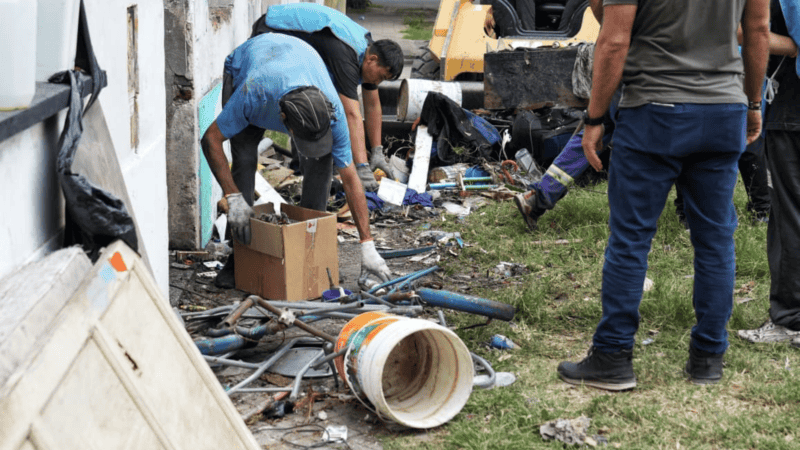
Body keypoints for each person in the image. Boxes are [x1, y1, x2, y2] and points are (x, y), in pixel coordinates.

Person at [557, 0, 770, 390]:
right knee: (715, 240)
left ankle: (612, 356)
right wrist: (754, 103)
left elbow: (614, 39)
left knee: (631, 238)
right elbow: (758, 30)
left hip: (654, 110)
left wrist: (594, 117)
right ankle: (708, 358)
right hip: (724, 109)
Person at [201, 33, 391, 289]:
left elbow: (350, 178)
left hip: (297, 60)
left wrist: (367, 244)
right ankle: (239, 261)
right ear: (284, 123)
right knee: (244, 159)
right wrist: (232, 197)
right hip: (252, 64)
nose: (310, 151)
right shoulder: (253, 94)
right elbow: (211, 140)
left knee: (321, 164)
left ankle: (307, 255)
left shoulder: (333, 113)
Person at [250, 3, 404, 191]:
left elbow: (372, 105)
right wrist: (362, 168)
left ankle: (309, 170)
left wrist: (377, 151)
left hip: (292, 38)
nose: (378, 82)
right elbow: (352, 114)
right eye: (381, 77)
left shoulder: (368, 53)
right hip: (271, 31)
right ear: (372, 60)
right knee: (311, 105)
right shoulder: (347, 55)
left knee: (325, 103)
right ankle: (302, 170)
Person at [738, 0, 800, 347]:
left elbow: (746, 31)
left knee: (789, 217)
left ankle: (790, 319)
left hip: (790, 111)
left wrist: (790, 47)